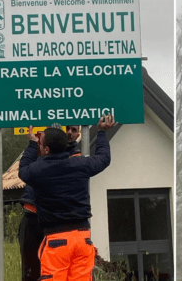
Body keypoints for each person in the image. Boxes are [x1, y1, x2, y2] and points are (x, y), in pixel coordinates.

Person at [19, 115, 117, 280]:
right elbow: (104, 159)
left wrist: (31, 144)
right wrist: (101, 133)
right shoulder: (81, 164)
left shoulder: (39, 170)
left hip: (57, 239)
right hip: (82, 238)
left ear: (46, 150)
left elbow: (23, 169)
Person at [17, 124, 81, 281]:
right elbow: (25, 167)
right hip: (32, 218)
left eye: (74, 130)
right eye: (67, 129)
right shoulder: (41, 147)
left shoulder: (76, 156)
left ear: (79, 133)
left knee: (55, 271)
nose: (69, 133)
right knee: (30, 271)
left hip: (56, 222)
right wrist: (35, 143)